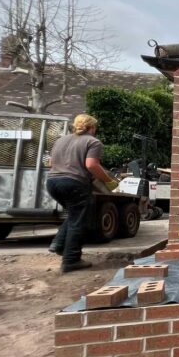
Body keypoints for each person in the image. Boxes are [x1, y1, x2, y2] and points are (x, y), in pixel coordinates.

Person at [46, 114, 115, 273]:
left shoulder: (61, 140)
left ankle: (59, 243)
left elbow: (50, 162)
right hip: (74, 183)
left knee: (74, 214)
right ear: (91, 128)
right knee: (79, 220)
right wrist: (107, 180)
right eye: (95, 128)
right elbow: (91, 165)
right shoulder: (93, 141)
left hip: (52, 182)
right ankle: (71, 260)